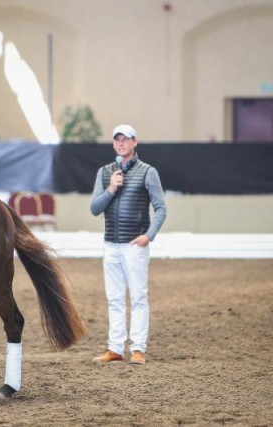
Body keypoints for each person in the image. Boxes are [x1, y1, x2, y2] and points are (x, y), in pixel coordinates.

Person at [90, 124, 167, 365]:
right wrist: (111, 189)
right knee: (114, 299)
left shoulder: (148, 172)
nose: (122, 143)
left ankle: (138, 349)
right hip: (110, 245)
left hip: (135, 245)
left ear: (135, 142)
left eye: (126, 139)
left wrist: (149, 235)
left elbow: (161, 208)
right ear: (114, 144)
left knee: (138, 298)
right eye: (118, 139)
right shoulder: (104, 173)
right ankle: (114, 348)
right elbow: (95, 208)